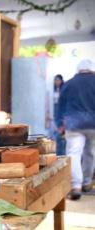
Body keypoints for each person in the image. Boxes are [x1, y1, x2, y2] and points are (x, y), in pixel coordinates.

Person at [56, 59, 95, 200]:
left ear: (78, 69)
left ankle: (75, 186)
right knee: (90, 153)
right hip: (93, 124)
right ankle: (87, 183)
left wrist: (60, 124)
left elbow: (60, 105)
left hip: (74, 124)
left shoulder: (69, 83)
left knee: (74, 153)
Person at [53, 74, 66, 156]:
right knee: (56, 135)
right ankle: (58, 154)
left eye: (58, 80)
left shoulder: (64, 90)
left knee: (61, 136)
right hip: (55, 114)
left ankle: (61, 154)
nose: (56, 82)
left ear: (61, 81)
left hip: (62, 115)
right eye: (55, 80)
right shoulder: (53, 90)